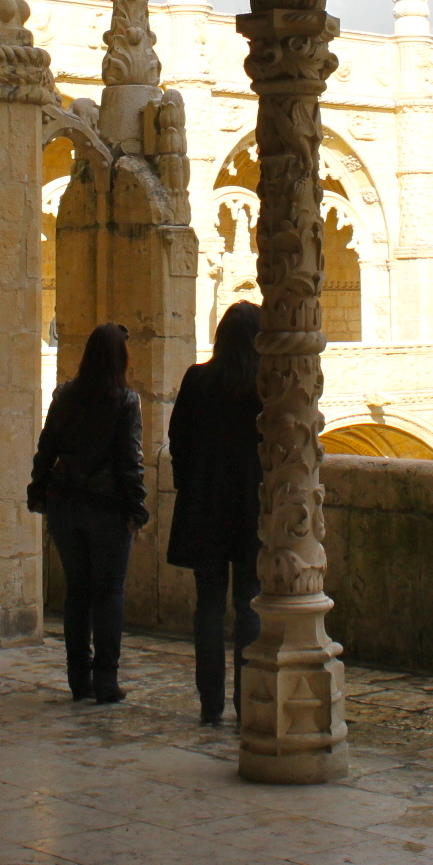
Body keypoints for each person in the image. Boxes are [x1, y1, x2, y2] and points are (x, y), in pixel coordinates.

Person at [28, 323, 146, 705]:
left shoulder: (65, 395)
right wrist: (136, 509)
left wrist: (38, 490)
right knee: (109, 593)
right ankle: (106, 681)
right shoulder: (125, 401)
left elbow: (47, 447)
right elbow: (130, 462)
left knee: (77, 593)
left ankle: (79, 678)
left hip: (66, 505)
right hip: (108, 509)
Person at [166, 302, 261, 726]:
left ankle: (210, 702)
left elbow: (177, 439)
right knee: (248, 603)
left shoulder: (198, 379)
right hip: (250, 511)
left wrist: (190, 485)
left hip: (205, 508)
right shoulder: (264, 387)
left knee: (208, 605)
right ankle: (247, 701)